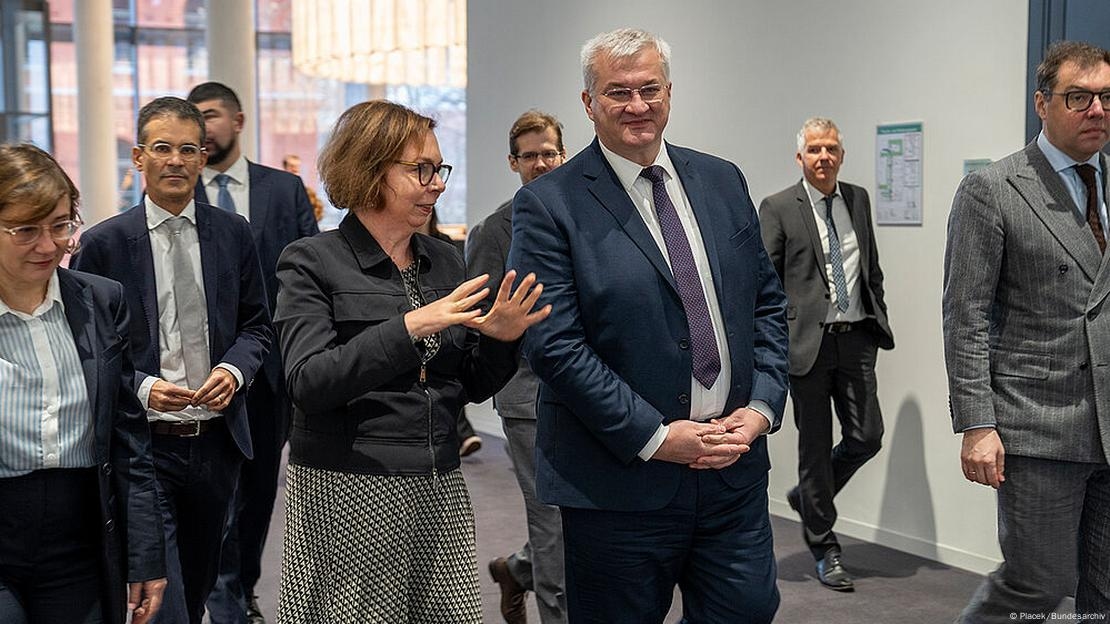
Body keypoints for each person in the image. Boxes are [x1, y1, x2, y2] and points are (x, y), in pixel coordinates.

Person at [506, 28, 790, 623]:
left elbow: (765, 302)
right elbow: (555, 347)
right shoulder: (550, 204)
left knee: (747, 612)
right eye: (618, 92)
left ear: (669, 92)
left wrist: (762, 407)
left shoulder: (722, 180)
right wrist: (657, 437)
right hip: (619, 484)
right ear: (589, 103)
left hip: (731, 468)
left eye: (650, 89)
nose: (637, 106)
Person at [274, 99, 549, 623]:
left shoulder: (444, 259)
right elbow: (309, 381)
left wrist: (501, 337)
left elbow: (468, 382)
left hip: (438, 484)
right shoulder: (311, 261)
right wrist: (410, 326)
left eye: (439, 169)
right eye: (422, 169)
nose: (438, 183)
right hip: (348, 488)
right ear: (370, 169)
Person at [70, 96, 272, 624]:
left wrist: (233, 371)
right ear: (139, 158)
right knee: (164, 603)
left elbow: (257, 327)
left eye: (188, 149)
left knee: (200, 582)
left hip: (217, 444)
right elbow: (90, 352)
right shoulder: (103, 245)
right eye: (162, 149)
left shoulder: (234, 234)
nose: (176, 161)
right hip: (144, 447)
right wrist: (141, 387)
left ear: (204, 157)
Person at [944, 40, 1110, 621]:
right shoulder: (994, 189)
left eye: (1107, 98)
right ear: (1042, 104)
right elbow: (965, 317)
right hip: (1037, 425)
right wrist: (978, 425)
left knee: (1105, 595)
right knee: (1036, 586)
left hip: (1109, 425)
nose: (1097, 110)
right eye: (1079, 97)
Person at [0, 143, 166, 624]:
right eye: (26, 230)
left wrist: (145, 555)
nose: (49, 245)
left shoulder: (99, 299)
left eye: (61, 225)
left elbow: (128, 438)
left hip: (80, 541)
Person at [185, 81, 318, 624]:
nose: (202, 128)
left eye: (211, 116)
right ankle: (219, 593)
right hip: (199, 374)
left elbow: (310, 270)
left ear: (238, 121)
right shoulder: (176, 193)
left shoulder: (282, 190)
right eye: (194, 119)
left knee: (261, 486)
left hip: (270, 370)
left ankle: (242, 586)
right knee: (211, 486)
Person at [758, 117, 893, 592]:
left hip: (855, 338)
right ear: (800, 157)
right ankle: (825, 545)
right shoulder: (778, 207)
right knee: (814, 449)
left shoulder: (858, 199)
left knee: (867, 435)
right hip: (806, 346)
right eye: (814, 149)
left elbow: (870, 267)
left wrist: (877, 315)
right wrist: (774, 344)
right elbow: (766, 285)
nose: (823, 157)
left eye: (831, 148)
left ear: (841, 154)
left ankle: (810, 499)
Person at [468, 109, 568, 624]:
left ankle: (517, 570)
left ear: (563, 154)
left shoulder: (590, 216)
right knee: (551, 520)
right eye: (529, 156)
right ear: (513, 162)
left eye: (548, 152)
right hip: (528, 397)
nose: (540, 163)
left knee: (584, 518)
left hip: (594, 395)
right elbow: (480, 322)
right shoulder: (492, 232)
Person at [419, 209, 484, 458]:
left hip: (448, 326)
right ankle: (464, 434)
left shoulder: (445, 248)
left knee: (450, 380)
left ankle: (463, 434)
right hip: (423, 328)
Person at [282, 154, 324, 223]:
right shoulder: (279, 190)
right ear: (285, 167)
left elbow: (317, 210)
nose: (295, 169)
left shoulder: (308, 192)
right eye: (292, 166)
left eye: (297, 166)